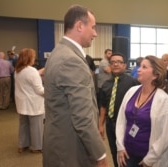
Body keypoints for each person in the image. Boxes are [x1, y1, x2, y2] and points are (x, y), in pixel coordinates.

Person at [43, 5, 108, 167]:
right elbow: (83, 118)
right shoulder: (71, 60)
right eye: (93, 27)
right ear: (79, 26)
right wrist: (100, 156)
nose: (95, 33)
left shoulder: (58, 52)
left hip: (58, 143)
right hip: (70, 150)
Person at [116, 55, 168, 167]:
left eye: (144, 67)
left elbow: (167, 134)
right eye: (140, 66)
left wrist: (150, 159)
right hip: (127, 154)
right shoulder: (131, 92)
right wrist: (120, 146)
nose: (138, 69)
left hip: (147, 159)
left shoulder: (163, 100)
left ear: (155, 75)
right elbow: (121, 121)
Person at [99, 53, 139, 167]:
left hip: (127, 125)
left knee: (127, 154)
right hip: (110, 124)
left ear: (124, 65)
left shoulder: (133, 83)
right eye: (112, 62)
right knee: (114, 152)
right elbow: (103, 106)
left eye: (119, 62)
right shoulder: (105, 85)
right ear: (110, 65)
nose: (115, 64)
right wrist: (101, 125)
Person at [14, 48, 44, 153]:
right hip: (33, 104)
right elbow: (40, 90)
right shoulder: (32, 71)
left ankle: (23, 145)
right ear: (29, 58)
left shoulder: (17, 70)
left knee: (23, 125)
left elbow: (29, 76)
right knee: (36, 126)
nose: (34, 58)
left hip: (22, 103)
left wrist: (41, 71)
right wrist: (51, 91)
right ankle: (36, 147)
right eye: (33, 56)